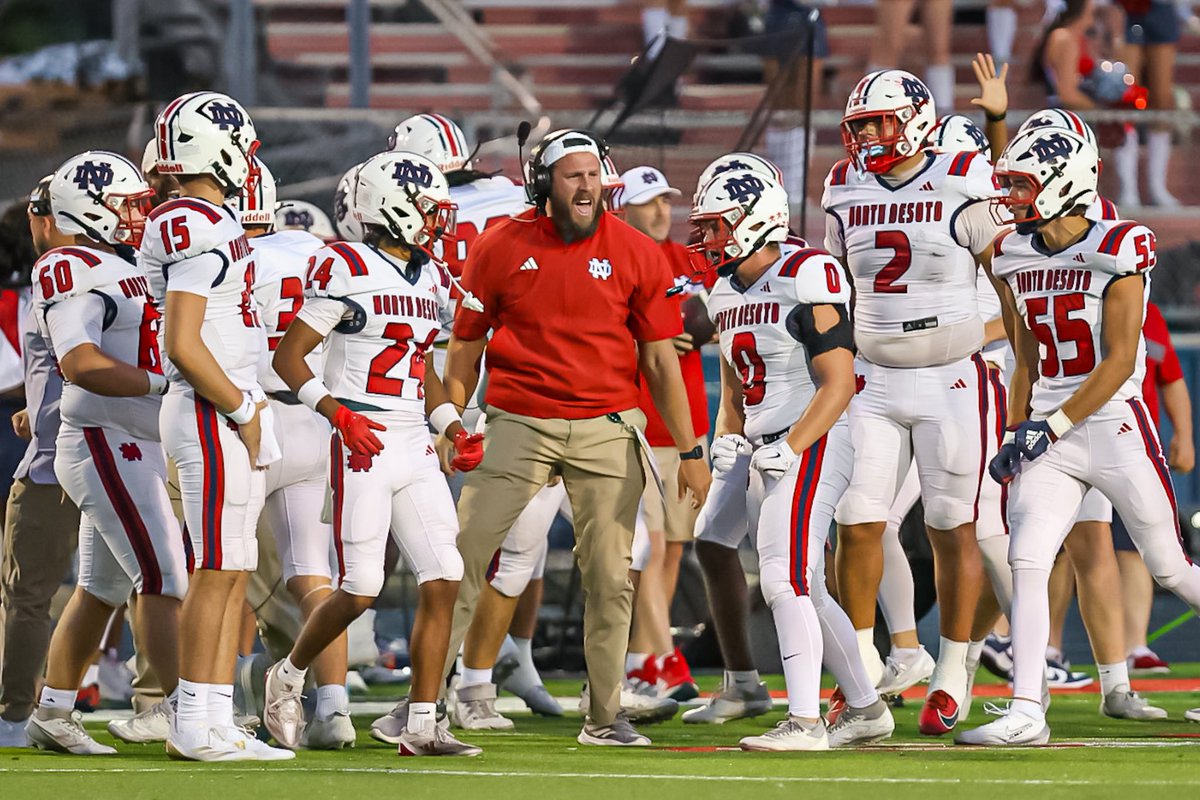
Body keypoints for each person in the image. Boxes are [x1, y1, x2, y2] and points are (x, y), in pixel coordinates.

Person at [438, 129, 710, 747]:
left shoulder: (636, 250)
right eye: (573, 176)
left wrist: (692, 452)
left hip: (607, 425)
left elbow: (662, 361)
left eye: (593, 175)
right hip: (518, 419)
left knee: (614, 575)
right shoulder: (500, 244)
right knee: (460, 559)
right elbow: (466, 342)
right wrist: (453, 418)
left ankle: (605, 714)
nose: (587, 186)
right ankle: (423, 702)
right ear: (543, 184)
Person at [959, 126, 1200, 745]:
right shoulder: (1012, 252)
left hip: (1114, 424)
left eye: (1022, 184)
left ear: (1064, 182)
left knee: (1170, 566)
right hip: (1048, 430)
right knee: (1028, 559)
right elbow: (1025, 355)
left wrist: (1050, 426)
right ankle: (1025, 711)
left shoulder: (1119, 246)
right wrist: (1017, 429)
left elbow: (1121, 359)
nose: (1009, 196)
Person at [262, 151, 483, 757]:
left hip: (413, 435)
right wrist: (338, 414)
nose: (437, 221)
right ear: (392, 209)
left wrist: (451, 425)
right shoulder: (345, 264)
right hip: (361, 437)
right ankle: (288, 675)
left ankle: (420, 721)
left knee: (445, 575)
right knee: (360, 588)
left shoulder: (431, 276)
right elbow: (289, 358)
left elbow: (425, 369)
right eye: (427, 209)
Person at [825, 69, 1007, 736]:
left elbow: (1006, 279)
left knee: (951, 525)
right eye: (860, 124)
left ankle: (954, 669)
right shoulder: (842, 184)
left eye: (878, 120)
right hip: (872, 377)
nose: (866, 134)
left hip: (953, 374)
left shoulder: (963, 173)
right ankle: (864, 670)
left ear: (917, 117)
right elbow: (834, 283)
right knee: (857, 519)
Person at [689, 167, 894, 751]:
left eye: (717, 227)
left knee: (783, 580)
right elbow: (734, 386)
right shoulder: (724, 288)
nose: (708, 241)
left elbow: (838, 383)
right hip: (764, 445)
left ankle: (804, 721)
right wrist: (724, 435)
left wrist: (791, 444)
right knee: (745, 552)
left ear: (756, 220)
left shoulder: (806, 273)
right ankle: (865, 706)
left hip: (814, 437)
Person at [141, 90, 291, 762]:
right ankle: (194, 724)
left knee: (233, 567)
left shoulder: (205, 217)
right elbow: (183, 339)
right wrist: (240, 408)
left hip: (225, 402)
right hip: (210, 407)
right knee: (216, 567)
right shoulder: (196, 222)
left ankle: (213, 717)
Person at [24, 151, 184, 755]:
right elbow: (80, 362)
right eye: (127, 203)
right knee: (166, 576)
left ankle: (54, 710)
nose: (140, 214)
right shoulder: (71, 264)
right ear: (90, 208)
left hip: (131, 438)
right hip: (105, 438)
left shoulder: (125, 262)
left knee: (103, 588)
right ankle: (180, 709)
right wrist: (165, 385)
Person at [237, 158, 351, 749]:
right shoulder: (324, 254)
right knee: (313, 571)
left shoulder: (228, 256)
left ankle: (222, 703)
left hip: (250, 418)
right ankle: (334, 707)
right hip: (316, 415)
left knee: (225, 567)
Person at [613, 166, 706, 703]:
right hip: (639, 419)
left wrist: (701, 325)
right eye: (648, 202)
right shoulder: (618, 256)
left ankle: (647, 654)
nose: (660, 211)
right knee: (643, 550)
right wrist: (649, 344)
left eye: (665, 201)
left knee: (672, 546)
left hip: (685, 420)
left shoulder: (685, 261)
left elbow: (711, 311)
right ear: (623, 205)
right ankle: (653, 657)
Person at [0, 177, 83, 749]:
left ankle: (18, 714)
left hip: (61, 461)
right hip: (127, 456)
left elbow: (77, 365)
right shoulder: (133, 271)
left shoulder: (52, 276)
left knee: (27, 595)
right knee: (150, 584)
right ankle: (175, 703)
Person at [1116, 300, 1193, 674]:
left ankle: (1134, 646)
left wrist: (1184, 436)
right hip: (1067, 438)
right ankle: (1047, 653)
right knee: (1056, 549)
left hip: (1134, 444)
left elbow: (1171, 376)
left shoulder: (1152, 313)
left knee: (1156, 556)